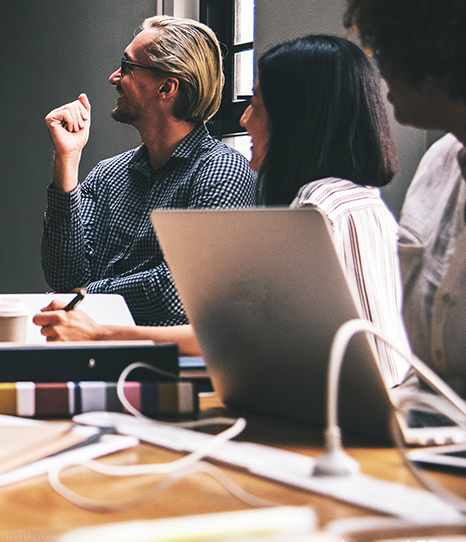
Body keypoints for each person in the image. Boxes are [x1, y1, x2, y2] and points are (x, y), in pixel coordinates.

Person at [35, 35, 412, 389]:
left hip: (356, 416)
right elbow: (249, 333)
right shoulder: (355, 202)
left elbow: (233, 331)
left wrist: (95, 320)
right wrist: (67, 161)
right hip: (368, 405)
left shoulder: (316, 212)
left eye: (256, 104)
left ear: (294, 118)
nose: (244, 120)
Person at [41, 16, 257, 327]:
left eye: (126, 66)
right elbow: (63, 277)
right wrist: (67, 158)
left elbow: (179, 292)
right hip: (93, 347)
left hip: (164, 356)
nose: (114, 77)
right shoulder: (107, 174)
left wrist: (89, 296)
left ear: (166, 87)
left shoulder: (223, 172)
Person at [345, 0, 466, 397]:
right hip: (430, 424)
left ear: (430, 50)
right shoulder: (437, 165)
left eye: (382, 48)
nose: (378, 68)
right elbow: (430, 372)